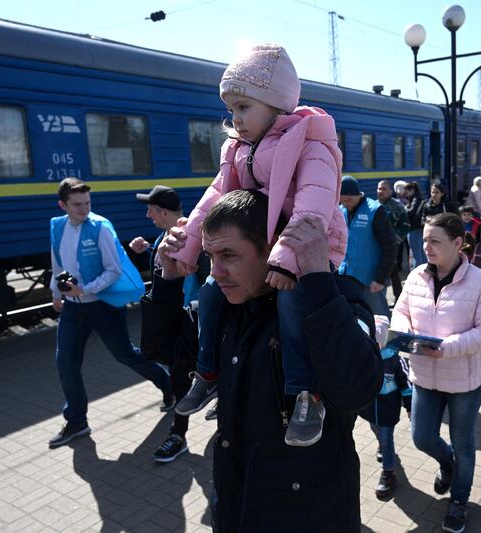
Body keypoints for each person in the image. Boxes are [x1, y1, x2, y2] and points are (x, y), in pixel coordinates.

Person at [162, 189, 382, 532]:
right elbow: (163, 353)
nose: (216, 272)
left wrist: (317, 281)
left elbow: (357, 391)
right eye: (209, 256)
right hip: (237, 506)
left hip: (308, 516)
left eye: (229, 255)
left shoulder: (335, 302)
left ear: (272, 248)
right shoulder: (227, 307)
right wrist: (168, 279)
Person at [168, 44, 347, 446]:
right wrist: (188, 247)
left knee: (290, 303)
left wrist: (288, 259)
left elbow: (314, 204)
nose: (236, 119)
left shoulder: (310, 142)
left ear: (276, 103)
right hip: (264, 249)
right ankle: (208, 372)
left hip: (308, 249)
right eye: (231, 109)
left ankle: (306, 393)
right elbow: (215, 200)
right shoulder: (238, 149)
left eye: (244, 106)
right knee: (211, 292)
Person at [392, 213, 481, 533]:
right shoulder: (416, 276)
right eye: (425, 239)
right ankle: (447, 464)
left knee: (463, 443)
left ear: (458, 243)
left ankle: (458, 502)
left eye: (434, 241)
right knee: (422, 437)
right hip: (425, 376)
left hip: (464, 382)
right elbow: (400, 312)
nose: (426, 246)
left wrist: (448, 347)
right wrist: (403, 332)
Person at [47, 178, 172, 448]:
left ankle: (167, 383)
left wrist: (85, 290)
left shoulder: (101, 227)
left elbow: (113, 270)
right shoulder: (57, 227)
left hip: (102, 305)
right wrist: (57, 293)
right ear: (63, 205)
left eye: (87, 203)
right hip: (73, 309)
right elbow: (57, 264)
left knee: (124, 354)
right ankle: (77, 421)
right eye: (77, 205)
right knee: (66, 363)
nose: (83, 209)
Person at [130, 185, 209, 462]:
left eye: (151, 210)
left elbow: (206, 277)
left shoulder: (192, 238)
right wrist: (149, 249)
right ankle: (180, 432)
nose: (148, 215)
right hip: (173, 318)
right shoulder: (168, 236)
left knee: (183, 379)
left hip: (190, 321)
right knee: (180, 379)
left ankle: (178, 434)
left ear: (163, 211)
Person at [359, 343, 412, 502]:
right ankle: (381, 445)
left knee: (387, 438)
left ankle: (389, 473)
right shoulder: (363, 355)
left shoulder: (395, 360)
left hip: (388, 410)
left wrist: (410, 407)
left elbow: (407, 385)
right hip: (368, 408)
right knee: (376, 431)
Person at [338, 176, 397, 317]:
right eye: (342, 200)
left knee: (379, 318)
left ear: (358, 195)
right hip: (346, 276)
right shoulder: (341, 211)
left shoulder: (375, 210)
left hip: (370, 280)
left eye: (349, 200)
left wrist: (380, 279)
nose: (346, 204)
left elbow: (389, 246)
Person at [377, 179, 411, 301]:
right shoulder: (373, 206)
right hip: (377, 246)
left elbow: (406, 225)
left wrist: (395, 240)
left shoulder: (397, 206)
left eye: (384, 189)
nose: (381, 191)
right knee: (385, 272)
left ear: (390, 191)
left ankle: (398, 298)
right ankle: (385, 300)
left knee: (392, 271)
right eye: (379, 189)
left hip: (392, 246)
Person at [404, 181, 427, 267]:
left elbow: (410, 212)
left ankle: (419, 274)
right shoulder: (419, 198)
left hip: (414, 229)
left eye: (407, 191)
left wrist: (405, 208)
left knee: (416, 255)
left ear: (412, 190)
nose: (406, 194)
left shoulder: (415, 199)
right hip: (419, 229)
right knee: (421, 253)